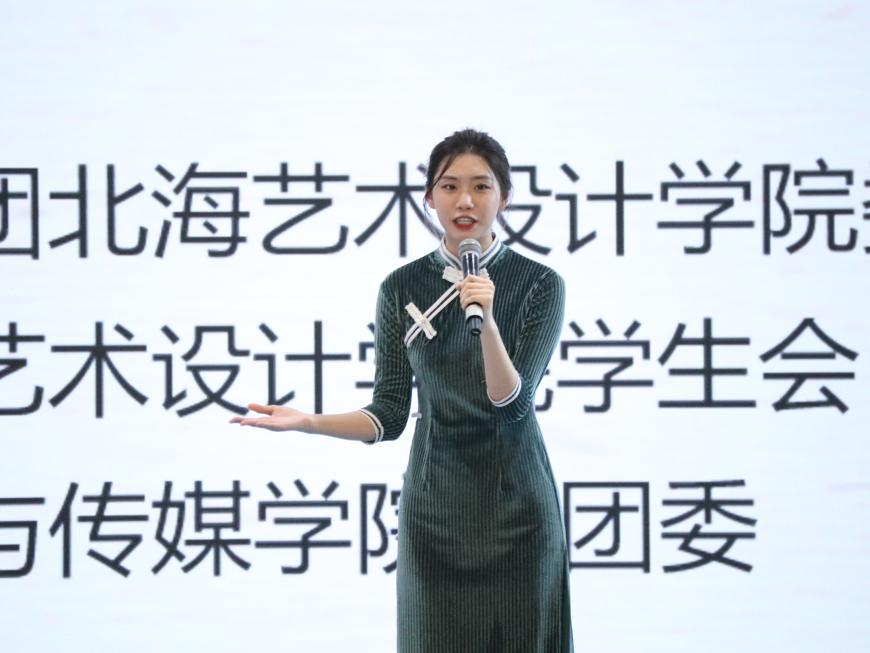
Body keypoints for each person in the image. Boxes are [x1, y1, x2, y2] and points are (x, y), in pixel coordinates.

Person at [231, 128, 574, 652]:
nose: (465, 201)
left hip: (517, 511)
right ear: (429, 198)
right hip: (435, 512)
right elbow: (389, 415)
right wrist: (309, 422)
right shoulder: (400, 288)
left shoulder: (539, 283)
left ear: (504, 197)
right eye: (449, 186)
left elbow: (511, 402)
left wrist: (485, 318)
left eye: (481, 186)